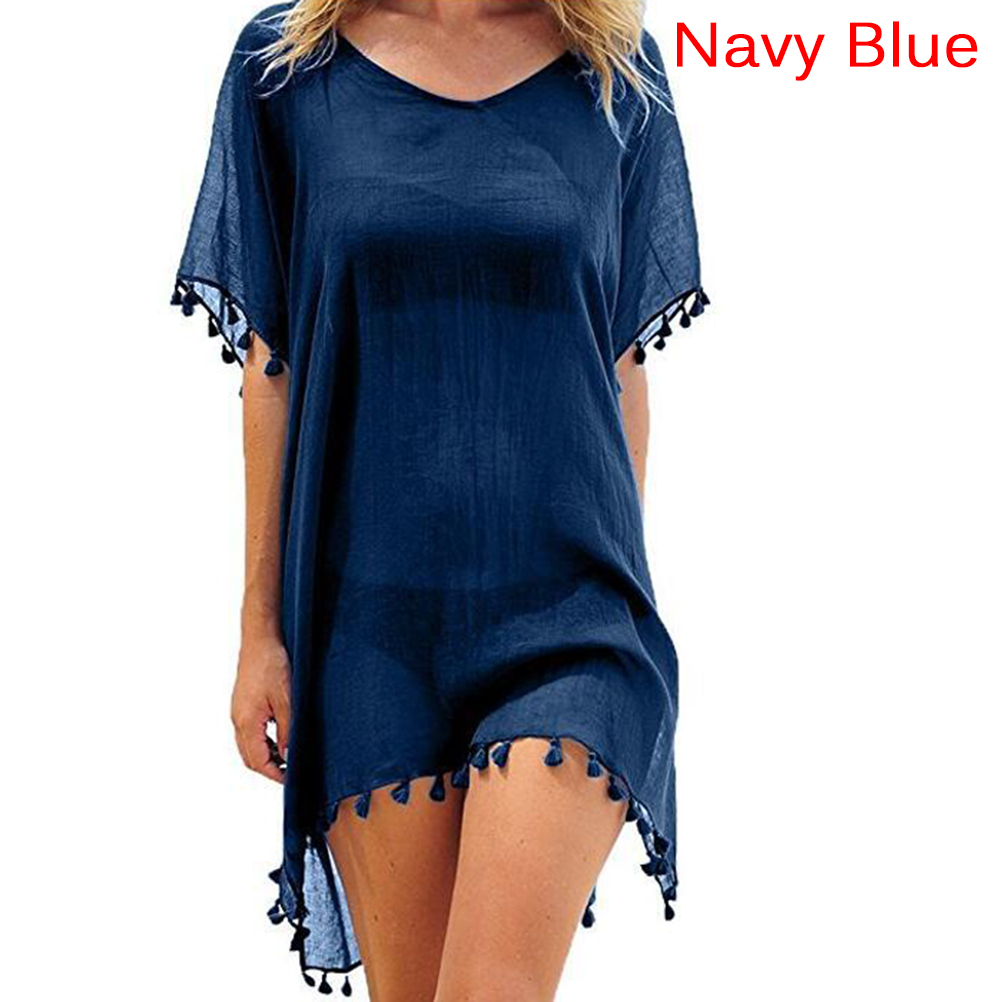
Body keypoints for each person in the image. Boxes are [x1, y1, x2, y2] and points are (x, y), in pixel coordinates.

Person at [170, 1, 707, 999]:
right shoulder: (286, 67)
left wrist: (628, 589)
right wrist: (259, 631)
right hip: (369, 632)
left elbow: (622, 363)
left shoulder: (613, 68)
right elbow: (271, 370)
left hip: (573, 618)